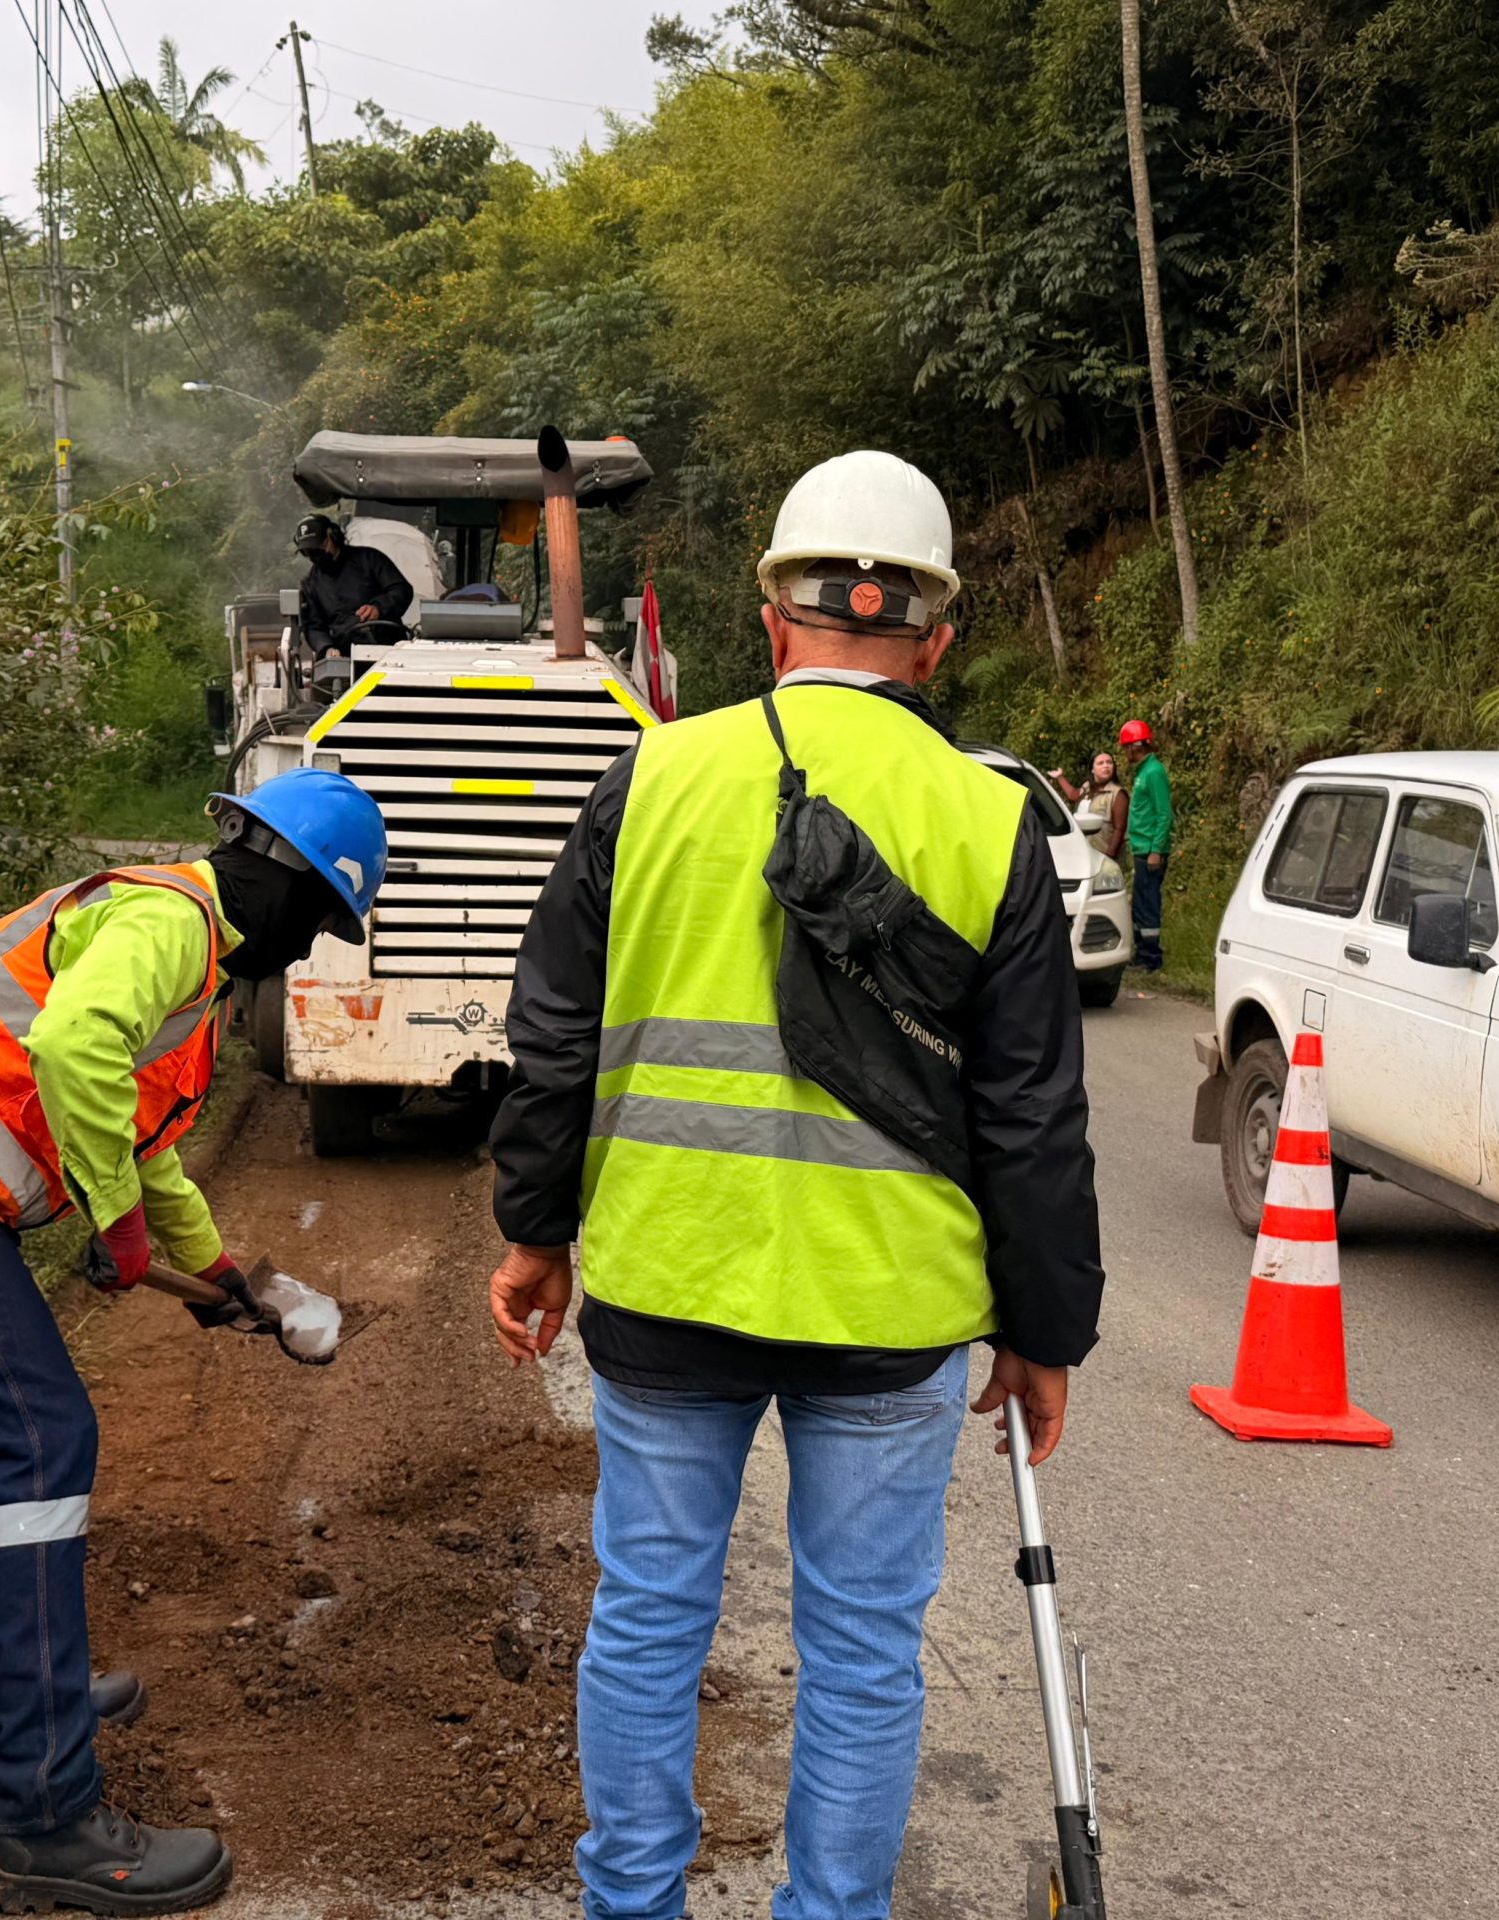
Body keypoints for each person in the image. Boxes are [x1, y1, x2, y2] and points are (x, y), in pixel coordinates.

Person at [484, 449, 1104, 1920]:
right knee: (866, 1650)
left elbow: (552, 1036)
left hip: (666, 1282)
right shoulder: (988, 818)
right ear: (936, 640)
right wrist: (1046, 1330)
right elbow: (1029, 1114)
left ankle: (628, 1904)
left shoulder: (651, 779)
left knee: (645, 1622)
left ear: (770, 624)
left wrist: (534, 1234)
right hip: (882, 1313)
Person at [0, 768, 385, 1918]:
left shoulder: (184, 985)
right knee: (39, 1439)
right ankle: (42, 1812)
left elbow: (141, 1156)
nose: (309, 955)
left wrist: (223, 1284)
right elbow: (69, 1054)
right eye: (323, 927)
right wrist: (111, 1226)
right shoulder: (173, 920)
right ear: (292, 886)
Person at [293, 511, 414, 661]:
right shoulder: (310, 584)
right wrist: (326, 647)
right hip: (344, 656)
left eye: (320, 547)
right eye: (308, 552)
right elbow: (313, 626)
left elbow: (401, 589)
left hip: (388, 649)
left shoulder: (369, 559)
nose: (315, 556)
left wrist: (379, 608)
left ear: (334, 536)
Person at [1120, 717, 1172, 969]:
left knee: (1148, 903)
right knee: (1140, 903)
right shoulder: (1143, 772)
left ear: (1134, 747)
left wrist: (1156, 850)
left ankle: (1151, 957)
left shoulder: (1153, 772)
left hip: (1150, 851)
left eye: (1125, 748)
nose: (1125, 753)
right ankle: (1142, 953)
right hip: (1140, 848)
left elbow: (1164, 814)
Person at [1049, 748, 1129, 860]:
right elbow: (1073, 795)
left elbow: (1119, 829)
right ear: (1092, 769)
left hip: (1104, 856)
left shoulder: (1117, 794)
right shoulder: (1087, 787)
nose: (1106, 766)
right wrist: (1060, 777)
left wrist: (1109, 857)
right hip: (1083, 853)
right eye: (1100, 763)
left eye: (1109, 762)